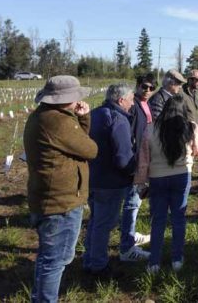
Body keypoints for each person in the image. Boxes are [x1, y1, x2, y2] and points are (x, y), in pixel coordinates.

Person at [24, 76, 97, 302]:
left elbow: (77, 144)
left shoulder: (41, 116)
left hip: (46, 198)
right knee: (55, 260)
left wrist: (80, 119)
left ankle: (40, 297)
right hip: (61, 204)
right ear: (68, 99)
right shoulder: (59, 122)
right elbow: (90, 149)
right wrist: (83, 118)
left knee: (47, 257)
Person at [135, 95, 198, 273]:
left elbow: (144, 160)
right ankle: (177, 259)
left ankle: (154, 262)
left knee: (158, 220)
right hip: (182, 177)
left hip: (157, 179)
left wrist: (140, 183)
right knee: (178, 218)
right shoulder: (190, 127)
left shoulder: (150, 129)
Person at [83, 84, 147, 275]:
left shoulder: (94, 114)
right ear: (121, 100)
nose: (131, 104)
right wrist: (134, 173)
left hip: (93, 177)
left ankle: (89, 260)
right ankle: (99, 266)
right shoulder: (119, 120)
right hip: (110, 183)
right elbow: (122, 158)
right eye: (130, 100)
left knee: (95, 222)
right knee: (104, 225)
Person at [119, 74, 156, 262]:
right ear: (137, 85)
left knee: (136, 202)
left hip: (143, 158)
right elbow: (130, 136)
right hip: (136, 160)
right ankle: (127, 248)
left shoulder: (145, 104)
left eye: (151, 88)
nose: (148, 90)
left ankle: (131, 235)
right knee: (132, 203)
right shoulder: (133, 106)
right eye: (144, 86)